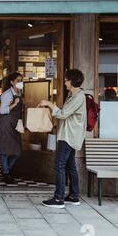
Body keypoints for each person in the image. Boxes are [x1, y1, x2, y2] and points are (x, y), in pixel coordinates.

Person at [38, 69, 86, 208]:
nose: (64, 82)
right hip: (69, 134)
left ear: (72, 81)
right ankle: (73, 196)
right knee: (70, 165)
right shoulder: (73, 95)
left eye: (66, 80)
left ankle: (59, 199)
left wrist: (49, 103)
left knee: (59, 165)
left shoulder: (78, 97)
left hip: (69, 136)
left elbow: (63, 114)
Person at [0, 72, 23, 184]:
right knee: (5, 151)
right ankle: (6, 174)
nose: (20, 82)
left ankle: (5, 170)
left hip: (14, 125)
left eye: (21, 80)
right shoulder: (7, 94)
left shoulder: (19, 93)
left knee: (17, 151)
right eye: (18, 80)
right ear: (12, 82)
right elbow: (2, 110)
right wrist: (14, 104)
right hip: (5, 124)